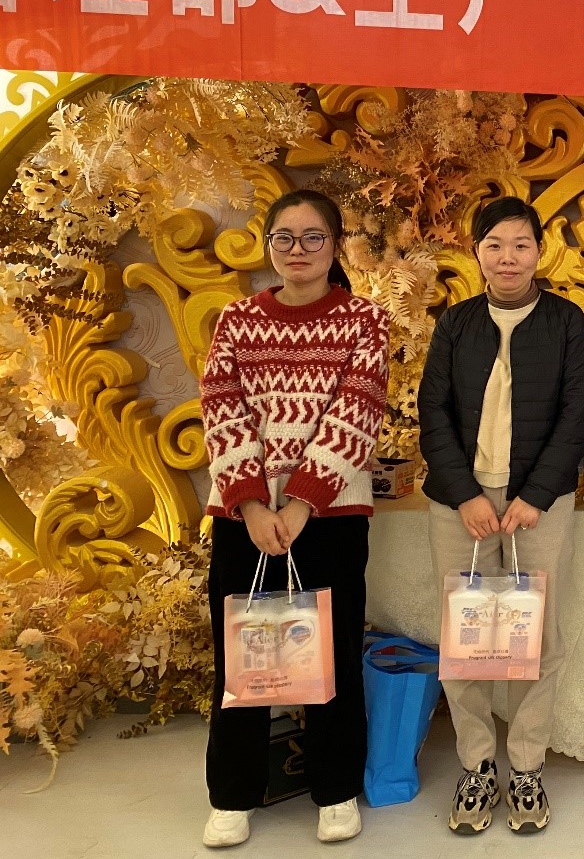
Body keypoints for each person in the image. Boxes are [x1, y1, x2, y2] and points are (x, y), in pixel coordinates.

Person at [200, 189, 389, 848]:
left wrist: (302, 501)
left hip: (331, 514)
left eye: (313, 237)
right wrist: (254, 503)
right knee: (244, 650)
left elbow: (357, 409)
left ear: (335, 246)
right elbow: (221, 407)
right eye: (284, 237)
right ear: (269, 245)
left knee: (330, 651)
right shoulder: (237, 319)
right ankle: (232, 794)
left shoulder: (365, 320)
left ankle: (335, 789)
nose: (298, 249)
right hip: (243, 514)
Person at [418, 196, 584, 835]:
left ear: (539, 252)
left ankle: (525, 766)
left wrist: (536, 495)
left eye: (521, 244)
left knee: (537, 636)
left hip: (536, 507)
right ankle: (475, 764)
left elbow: (578, 415)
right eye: (494, 245)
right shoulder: (456, 323)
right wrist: (463, 492)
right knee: (465, 636)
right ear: (477, 253)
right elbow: (433, 411)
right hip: (459, 504)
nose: (508, 258)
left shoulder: (567, 322)